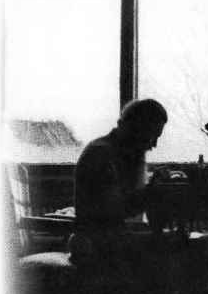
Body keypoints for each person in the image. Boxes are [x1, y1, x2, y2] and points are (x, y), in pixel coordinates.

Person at [70, 98, 168, 272]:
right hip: (96, 244)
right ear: (137, 129)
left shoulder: (116, 153)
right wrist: (151, 193)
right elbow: (113, 210)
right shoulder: (101, 155)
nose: (154, 145)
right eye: (153, 136)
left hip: (107, 238)